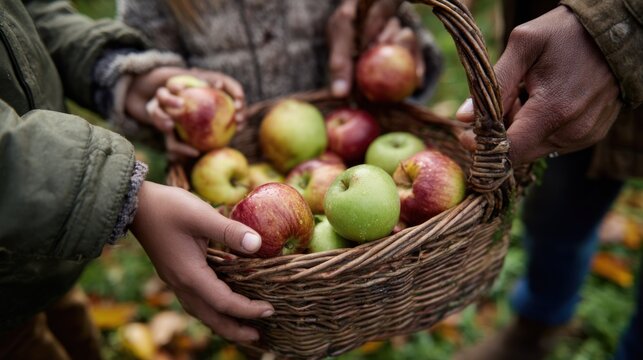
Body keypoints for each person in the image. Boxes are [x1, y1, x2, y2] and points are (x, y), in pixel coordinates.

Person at [0, 1, 276, 358]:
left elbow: (25, 13)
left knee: (77, 337)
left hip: (42, 254)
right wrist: (129, 200)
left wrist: (122, 78)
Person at [453, 0, 642, 359]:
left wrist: (620, 24)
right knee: (555, 210)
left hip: (586, 37)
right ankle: (536, 326)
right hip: (562, 51)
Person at [117, 0, 443, 160]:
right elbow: (138, 65)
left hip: (359, 158)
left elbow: (396, 26)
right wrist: (162, 103)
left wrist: (392, 51)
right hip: (222, 198)